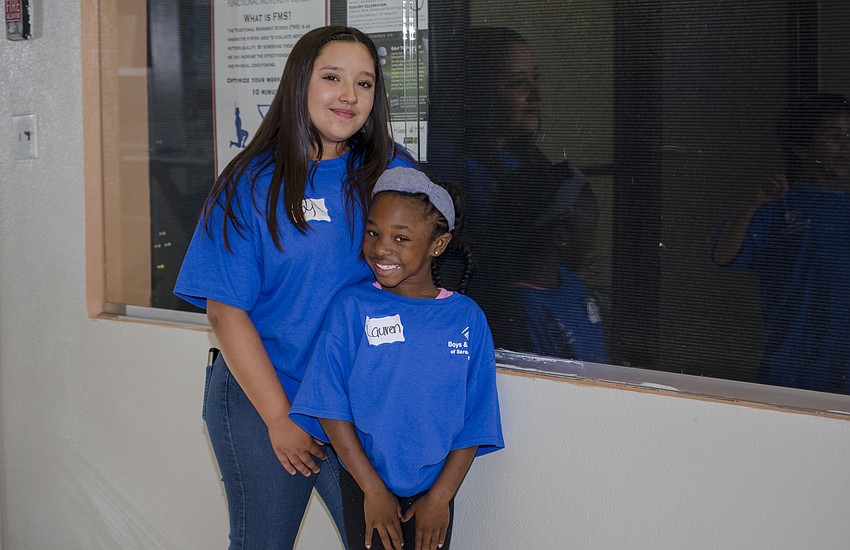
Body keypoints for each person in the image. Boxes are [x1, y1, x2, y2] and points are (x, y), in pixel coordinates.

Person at [174, 26, 415, 548]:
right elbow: (225, 312)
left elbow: (424, 279)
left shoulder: (394, 175)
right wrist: (280, 419)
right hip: (267, 400)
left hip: (359, 406)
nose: (349, 96)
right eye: (333, 78)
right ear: (300, 83)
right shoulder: (249, 183)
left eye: (365, 83)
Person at [289, 167, 504, 550]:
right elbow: (328, 403)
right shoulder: (351, 307)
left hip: (436, 494)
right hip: (364, 485)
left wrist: (440, 497)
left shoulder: (467, 318)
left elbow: (476, 418)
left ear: (437, 245)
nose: (382, 248)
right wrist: (372, 489)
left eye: (401, 237)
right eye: (373, 233)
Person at [713, 93, 850, 394]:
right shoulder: (777, 205)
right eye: (834, 136)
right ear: (801, 147)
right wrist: (752, 204)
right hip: (790, 366)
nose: (845, 145)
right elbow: (724, 255)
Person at [491, 180, 609, 363]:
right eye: (592, 229)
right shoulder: (524, 306)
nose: (594, 241)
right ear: (560, 237)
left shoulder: (572, 283)